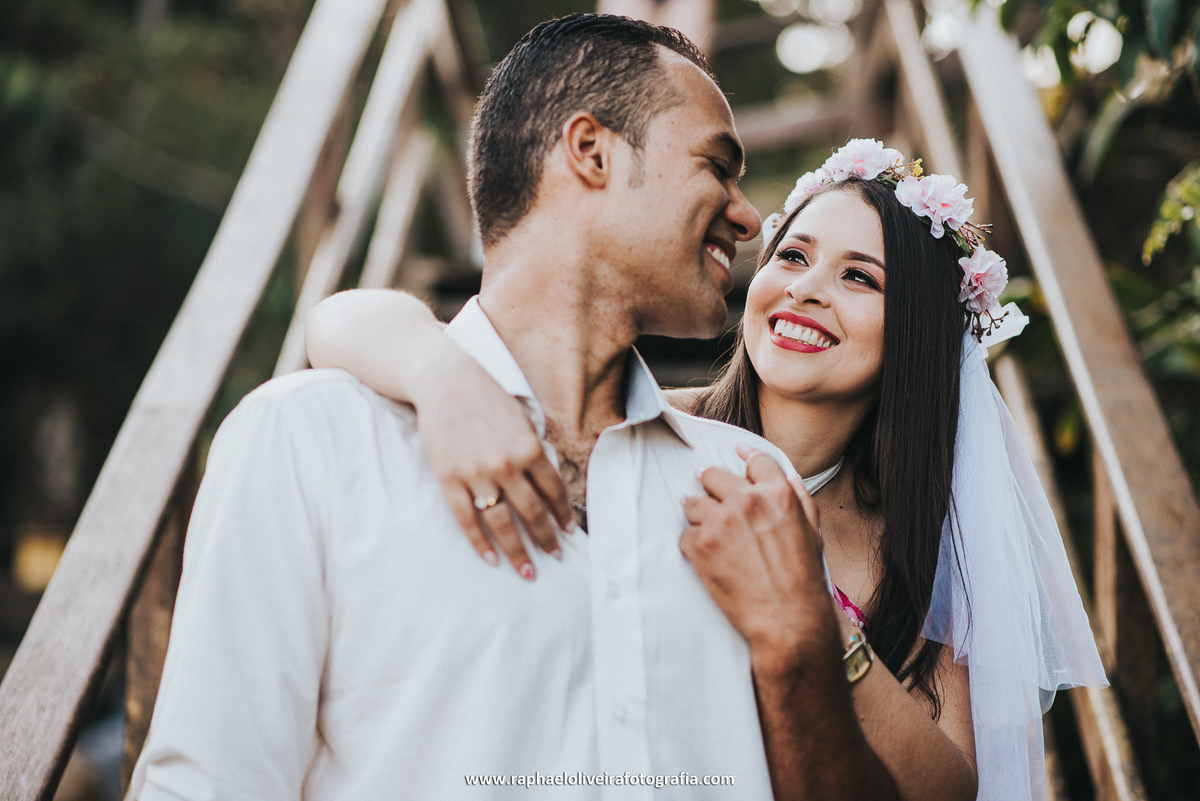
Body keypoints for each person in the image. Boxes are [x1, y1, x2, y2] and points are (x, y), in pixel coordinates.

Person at [130, 14, 918, 801]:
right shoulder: (308, 441)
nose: (750, 218)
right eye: (718, 166)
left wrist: (801, 648)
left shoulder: (753, 485)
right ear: (591, 151)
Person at [305, 141, 1107, 800]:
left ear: (919, 334)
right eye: (793, 255)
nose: (804, 290)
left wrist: (814, 617)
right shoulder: (643, 423)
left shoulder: (921, 543)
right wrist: (436, 371)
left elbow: (946, 789)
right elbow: (336, 321)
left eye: (859, 277)